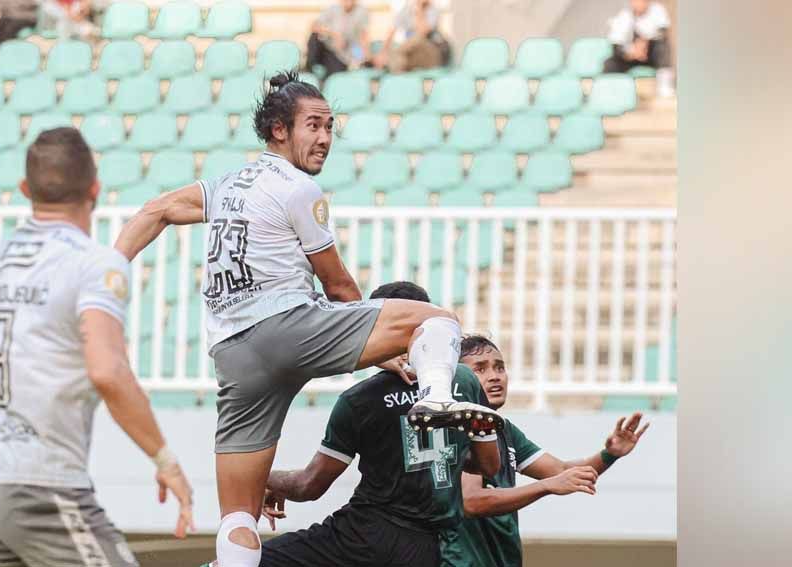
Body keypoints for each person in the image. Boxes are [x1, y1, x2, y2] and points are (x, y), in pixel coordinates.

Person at [113, 72, 500, 567]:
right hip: (289, 328)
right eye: (313, 125)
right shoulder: (300, 189)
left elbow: (157, 209)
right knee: (439, 323)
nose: (323, 138)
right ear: (279, 129)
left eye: (330, 127)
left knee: (238, 516)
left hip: (232, 354)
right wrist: (385, 352)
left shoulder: (225, 185)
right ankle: (437, 397)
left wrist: (104, 269)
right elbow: (339, 289)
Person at [0, 128, 194, 567]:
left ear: (24, 190)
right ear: (95, 189)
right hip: (41, 487)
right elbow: (107, 371)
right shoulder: (95, 264)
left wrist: (6, 430)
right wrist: (165, 460)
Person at [258, 281, 501, 567]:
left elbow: (310, 486)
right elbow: (488, 466)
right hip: (426, 549)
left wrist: (261, 478)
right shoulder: (464, 380)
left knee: (245, 562)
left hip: (366, 535)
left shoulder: (360, 399)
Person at [438, 335, 651, 567]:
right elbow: (472, 501)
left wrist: (610, 454)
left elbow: (560, 471)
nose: (495, 376)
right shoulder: (461, 426)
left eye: (500, 367)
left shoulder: (503, 429)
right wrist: (545, 487)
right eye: (480, 369)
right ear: (459, 378)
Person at [603, 0, 675, 97]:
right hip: (631, 56)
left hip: (651, 55)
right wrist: (630, 53)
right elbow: (616, 43)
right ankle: (610, 93)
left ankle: (665, 86)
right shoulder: (624, 15)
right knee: (610, 63)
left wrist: (644, 42)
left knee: (662, 46)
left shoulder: (658, 10)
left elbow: (662, 31)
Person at [374, 0, 450, 73]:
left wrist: (420, 8)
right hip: (414, 56)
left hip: (433, 55)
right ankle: (389, 65)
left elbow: (423, 31)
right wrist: (383, 52)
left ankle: (390, 62)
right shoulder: (407, 9)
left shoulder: (433, 10)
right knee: (401, 60)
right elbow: (392, 30)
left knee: (417, 38)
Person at [306, 0, 372, 77]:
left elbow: (363, 37)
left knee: (336, 74)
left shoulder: (362, 12)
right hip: (327, 47)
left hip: (342, 55)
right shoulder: (333, 9)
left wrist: (364, 57)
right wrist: (335, 35)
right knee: (314, 37)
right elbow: (314, 26)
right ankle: (309, 71)